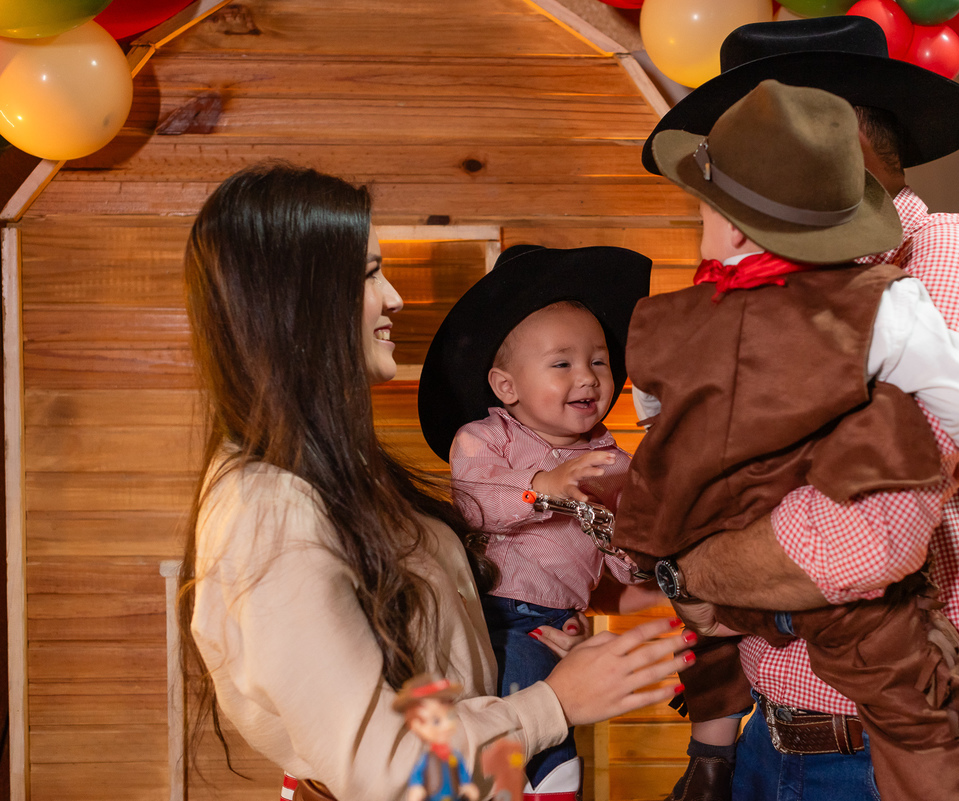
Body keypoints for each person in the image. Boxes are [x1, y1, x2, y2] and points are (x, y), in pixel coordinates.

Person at [638, 16, 959, 801]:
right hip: (784, 736)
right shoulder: (774, 299)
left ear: (827, 143)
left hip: (904, 746)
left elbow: (868, 535)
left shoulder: (946, 259)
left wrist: (691, 567)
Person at [177, 163, 692, 801]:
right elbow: (385, 772)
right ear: (301, 301)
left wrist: (531, 643)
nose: (393, 297)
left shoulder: (334, 476)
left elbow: (421, 673)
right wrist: (552, 704)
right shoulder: (272, 510)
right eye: (370, 275)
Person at [416, 244, 656, 795]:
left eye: (599, 360)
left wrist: (627, 542)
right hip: (493, 616)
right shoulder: (484, 439)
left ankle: (551, 780)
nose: (589, 376)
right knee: (528, 728)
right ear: (507, 387)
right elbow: (477, 504)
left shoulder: (610, 460)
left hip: (560, 621)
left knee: (556, 718)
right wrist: (543, 487)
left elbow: (623, 570)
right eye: (562, 363)